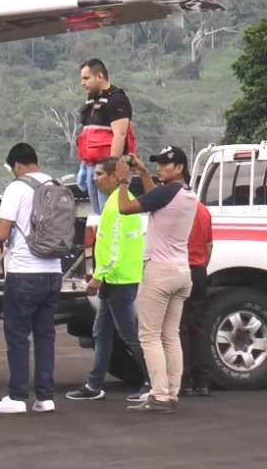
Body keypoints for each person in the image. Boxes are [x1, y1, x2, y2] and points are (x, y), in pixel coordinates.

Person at [115, 147, 197, 413]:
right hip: (181, 271)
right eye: (159, 164)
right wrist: (143, 172)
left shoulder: (165, 192)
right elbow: (155, 198)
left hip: (159, 272)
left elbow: (126, 208)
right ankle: (171, 391)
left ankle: (160, 395)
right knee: (170, 336)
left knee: (149, 336)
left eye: (166, 165)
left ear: (180, 168)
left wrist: (123, 180)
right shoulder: (187, 193)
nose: (161, 168)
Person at [65, 156, 149, 402]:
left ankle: (152, 381)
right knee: (101, 331)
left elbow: (114, 247)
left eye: (100, 174)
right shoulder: (117, 202)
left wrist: (98, 277)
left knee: (129, 334)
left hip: (118, 280)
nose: (95, 178)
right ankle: (94, 384)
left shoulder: (117, 205)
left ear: (115, 177)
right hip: (118, 278)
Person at [0, 143, 63, 414]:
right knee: (46, 336)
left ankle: (18, 396)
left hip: (24, 272)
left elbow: (2, 231)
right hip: (53, 271)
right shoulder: (56, 186)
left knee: (18, 335)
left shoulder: (17, 187)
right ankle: (45, 397)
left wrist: (1, 235)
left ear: (17, 165)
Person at [77, 59, 135, 215]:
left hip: (108, 169)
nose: (83, 83)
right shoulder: (92, 100)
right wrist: (84, 166)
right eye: (82, 79)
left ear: (100, 76)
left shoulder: (116, 99)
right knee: (99, 214)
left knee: (110, 211)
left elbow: (120, 135)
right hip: (91, 167)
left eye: (86, 78)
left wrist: (111, 170)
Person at [181, 199, 213, 397]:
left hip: (181, 269)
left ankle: (183, 380)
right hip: (199, 270)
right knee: (197, 326)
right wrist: (201, 265)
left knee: (179, 328)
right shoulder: (203, 210)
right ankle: (202, 381)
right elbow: (209, 245)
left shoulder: (177, 209)